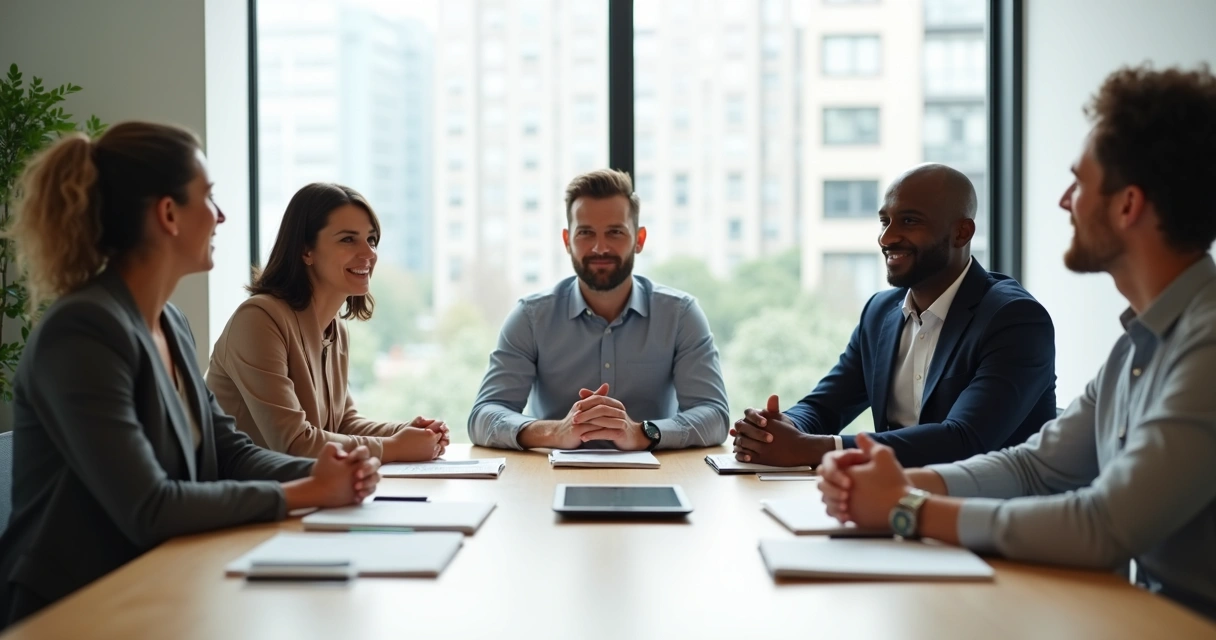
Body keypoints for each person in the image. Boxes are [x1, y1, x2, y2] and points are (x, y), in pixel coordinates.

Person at [818, 64, 1216, 622]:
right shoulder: (1137, 347)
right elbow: (1039, 468)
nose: (1064, 201)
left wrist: (907, 508)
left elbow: (1105, 525)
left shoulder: (1208, 344)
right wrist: (892, 482)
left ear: (1127, 205)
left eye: (1079, 182)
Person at [0, 123, 381, 628]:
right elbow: (149, 505)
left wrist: (326, 471)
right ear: (168, 213)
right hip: (76, 605)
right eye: (209, 198)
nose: (221, 216)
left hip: (158, 581)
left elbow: (228, 450)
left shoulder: (170, 322)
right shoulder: (82, 330)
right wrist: (306, 492)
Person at [731, 164, 1057, 469]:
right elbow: (825, 406)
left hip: (994, 516)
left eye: (909, 221)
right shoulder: (880, 313)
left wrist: (815, 449)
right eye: (885, 221)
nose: (886, 239)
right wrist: (776, 430)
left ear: (962, 233)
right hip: (895, 504)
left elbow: (964, 440)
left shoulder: (1014, 319)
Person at [468, 169, 729, 451]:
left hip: (655, 479)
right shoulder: (531, 317)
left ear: (639, 239)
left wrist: (642, 433)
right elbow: (484, 415)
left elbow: (714, 415)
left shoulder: (680, 315)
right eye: (586, 233)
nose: (600, 247)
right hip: (548, 481)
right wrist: (555, 432)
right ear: (567, 241)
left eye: (615, 232)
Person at [208, 183, 449, 462]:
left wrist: (408, 432)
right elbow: (293, 442)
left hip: (300, 492)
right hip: (244, 496)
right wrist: (395, 447)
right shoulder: (258, 320)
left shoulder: (335, 330)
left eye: (371, 239)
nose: (369, 253)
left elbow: (343, 424)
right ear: (306, 251)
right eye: (348, 239)